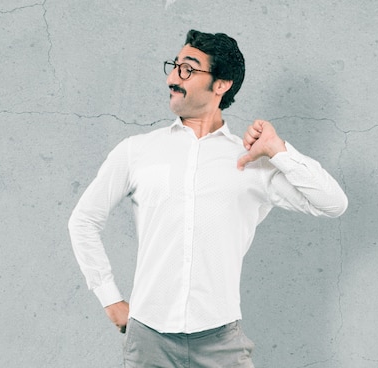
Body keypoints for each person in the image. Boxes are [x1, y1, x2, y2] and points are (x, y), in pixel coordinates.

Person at [68, 29, 348, 368]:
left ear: (221, 84)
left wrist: (278, 150)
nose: (173, 77)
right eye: (174, 66)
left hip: (221, 344)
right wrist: (109, 298)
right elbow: (84, 220)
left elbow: (333, 203)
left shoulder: (252, 162)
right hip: (149, 343)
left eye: (187, 69)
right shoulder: (137, 151)